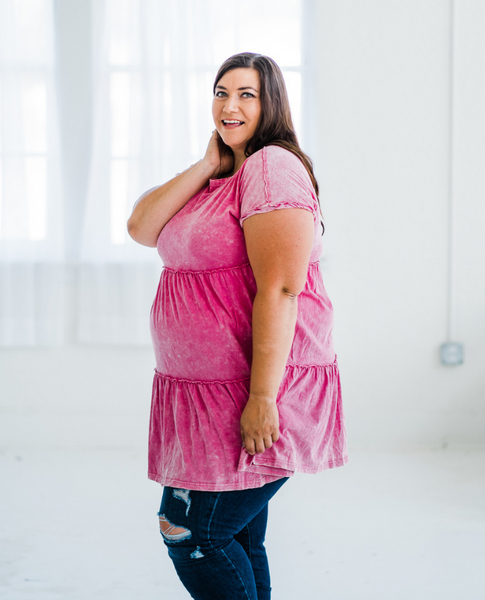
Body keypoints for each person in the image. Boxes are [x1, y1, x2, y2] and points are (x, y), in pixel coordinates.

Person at [127, 52, 348, 600]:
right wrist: (207, 164)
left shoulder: (273, 166)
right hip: (204, 397)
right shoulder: (226, 173)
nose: (229, 105)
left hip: (252, 390)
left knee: (193, 532)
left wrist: (262, 397)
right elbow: (141, 226)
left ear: (271, 101)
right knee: (240, 536)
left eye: (246, 94)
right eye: (221, 92)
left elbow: (281, 287)